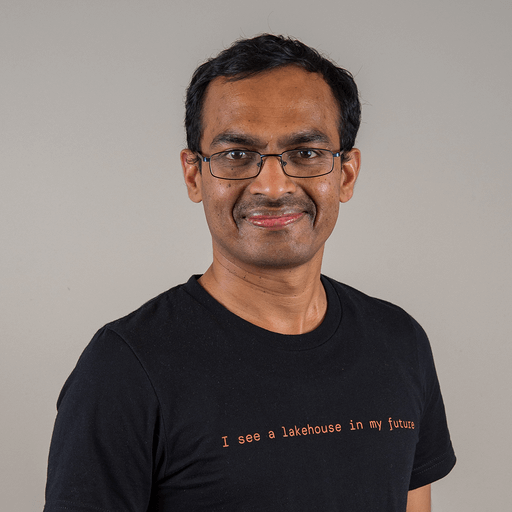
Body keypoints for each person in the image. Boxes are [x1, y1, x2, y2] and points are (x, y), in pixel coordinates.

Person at [43, 34, 455, 512]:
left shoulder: (400, 342)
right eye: (237, 155)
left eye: (306, 153)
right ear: (194, 175)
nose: (273, 186)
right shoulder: (123, 369)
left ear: (345, 174)